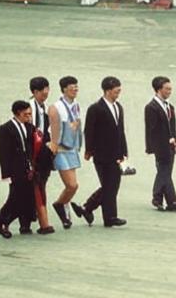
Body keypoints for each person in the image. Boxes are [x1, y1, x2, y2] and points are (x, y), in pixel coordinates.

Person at [80, 76, 129, 228]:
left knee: (111, 185)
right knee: (110, 185)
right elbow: (89, 131)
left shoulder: (118, 107)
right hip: (102, 154)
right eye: (116, 91)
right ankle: (110, 217)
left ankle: (87, 208)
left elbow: (121, 131)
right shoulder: (95, 108)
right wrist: (89, 150)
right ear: (107, 91)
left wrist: (124, 151)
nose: (118, 94)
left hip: (116, 153)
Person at [0, 100, 37, 238]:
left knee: (28, 196)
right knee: (15, 197)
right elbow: (4, 152)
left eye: (30, 114)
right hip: (15, 169)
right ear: (18, 113)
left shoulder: (30, 127)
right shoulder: (6, 128)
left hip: (28, 167)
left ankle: (25, 224)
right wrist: (6, 174)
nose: (29, 116)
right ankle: (1, 220)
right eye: (26, 113)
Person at [47, 75, 83, 229]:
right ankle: (60, 204)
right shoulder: (56, 107)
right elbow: (54, 129)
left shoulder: (76, 105)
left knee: (73, 186)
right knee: (72, 185)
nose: (75, 89)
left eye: (76, 86)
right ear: (64, 89)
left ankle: (63, 206)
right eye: (71, 86)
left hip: (72, 148)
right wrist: (54, 146)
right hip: (60, 149)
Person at [145, 76, 176, 211]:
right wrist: (155, 146)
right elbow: (151, 130)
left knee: (165, 172)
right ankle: (163, 198)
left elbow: (171, 126)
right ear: (158, 89)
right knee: (164, 172)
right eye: (167, 89)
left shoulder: (169, 106)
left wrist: (175, 138)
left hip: (171, 145)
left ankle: (163, 200)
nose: (169, 91)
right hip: (160, 146)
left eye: (170, 89)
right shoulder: (151, 107)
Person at [27, 77, 55, 233]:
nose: (46, 92)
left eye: (47, 89)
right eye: (43, 90)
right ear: (35, 91)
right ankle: (31, 218)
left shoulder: (42, 106)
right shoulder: (30, 107)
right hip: (34, 152)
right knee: (35, 186)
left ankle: (32, 217)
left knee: (40, 183)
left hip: (43, 150)